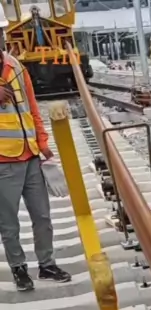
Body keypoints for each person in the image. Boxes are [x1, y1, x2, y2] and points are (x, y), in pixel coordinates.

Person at [0, 14, 71, 292]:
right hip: (3, 161)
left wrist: (42, 143)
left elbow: (32, 109)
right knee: (9, 223)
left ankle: (46, 264)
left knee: (42, 216)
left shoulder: (16, 66)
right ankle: (19, 269)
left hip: (30, 156)